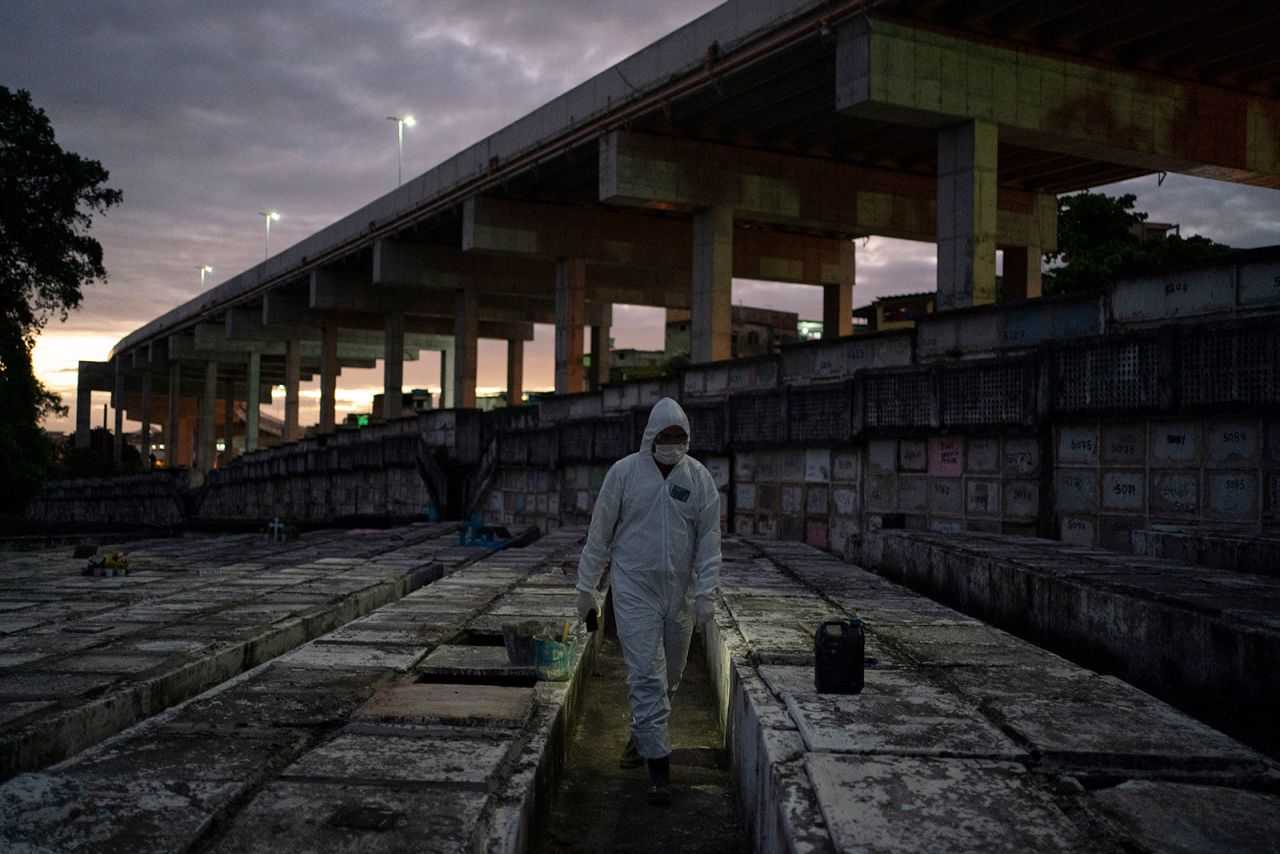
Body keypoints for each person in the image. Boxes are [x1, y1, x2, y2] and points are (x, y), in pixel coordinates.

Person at [575, 397, 722, 806]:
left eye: (679, 437)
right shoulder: (623, 475)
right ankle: (659, 770)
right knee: (646, 675)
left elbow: (709, 542)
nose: (672, 443)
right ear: (651, 437)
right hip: (634, 590)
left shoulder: (699, 480)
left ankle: (642, 735)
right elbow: (599, 535)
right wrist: (587, 589)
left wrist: (706, 593)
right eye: (665, 436)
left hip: (681, 596)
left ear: (687, 438)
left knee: (670, 678)